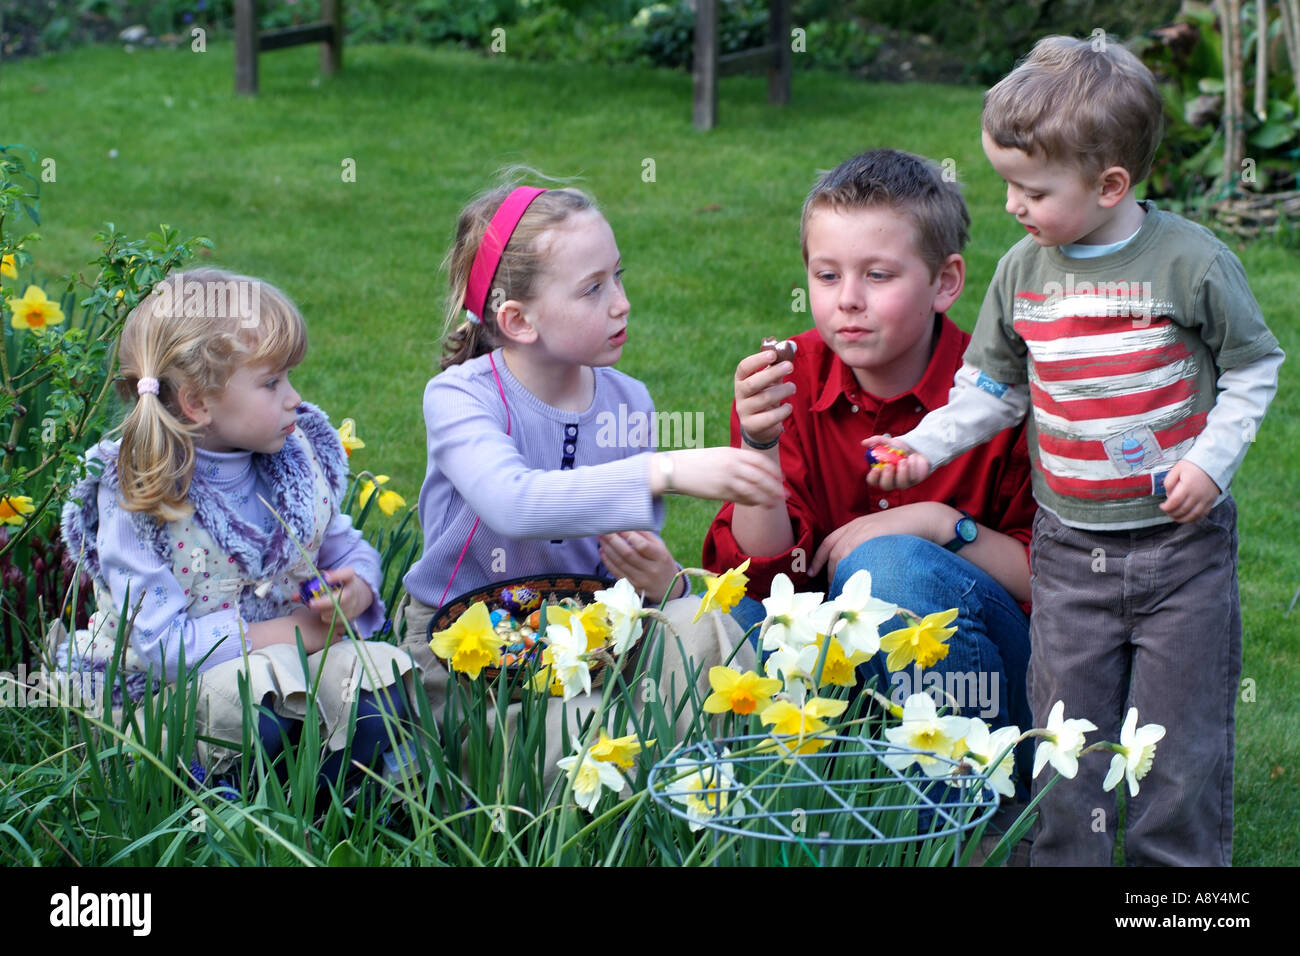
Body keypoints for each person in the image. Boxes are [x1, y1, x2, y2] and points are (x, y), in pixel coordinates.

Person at [867, 37, 1284, 866]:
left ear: (1110, 186)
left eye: (1032, 189)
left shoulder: (1190, 263)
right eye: (1007, 185)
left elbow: (1255, 366)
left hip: (1181, 552)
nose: (1013, 206)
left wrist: (1208, 464)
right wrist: (920, 445)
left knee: (1177, 743)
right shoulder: (1023, 271)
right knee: (1068, 738)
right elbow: (994, 389)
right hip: (1069, 550)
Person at [394, 182, 783, 769]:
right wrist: (669, 469)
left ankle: (708, 796)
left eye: (618, 276)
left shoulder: (628, 401)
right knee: (583, 733)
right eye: (593, 288)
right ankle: (627, 792)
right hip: (469, 652)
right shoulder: (460, 398)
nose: (621, 302)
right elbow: (514, 505)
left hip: (591, 637)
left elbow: (621, 563)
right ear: (518, 319)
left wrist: (665, 582)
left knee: (707, 630)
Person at [702, 149, 1037, 746]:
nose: (847, 299)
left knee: (889, 569)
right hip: (833, 658)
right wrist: (758, 447)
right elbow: (760, 581)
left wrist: (939, 524)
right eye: (826, 276)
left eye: (878, 275)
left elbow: (1055, 584)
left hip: (983, 670)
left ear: (945, 282)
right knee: (729, 626)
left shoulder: (1003, 394)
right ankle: (796, 817)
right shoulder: (788, 377)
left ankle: (959, 820)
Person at [58, 268, 418, 790]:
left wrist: (355, 589)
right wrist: (296, 631)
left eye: (290, 378)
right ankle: (224, 808)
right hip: (168, 696)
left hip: (286, 665)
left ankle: (339, 811)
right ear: (198, 403)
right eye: (272, 383)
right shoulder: (140, 494)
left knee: (374, 689)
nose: (294, 398)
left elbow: (342, 545)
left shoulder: (291, 461)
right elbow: (165, 648)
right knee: (259, 717)